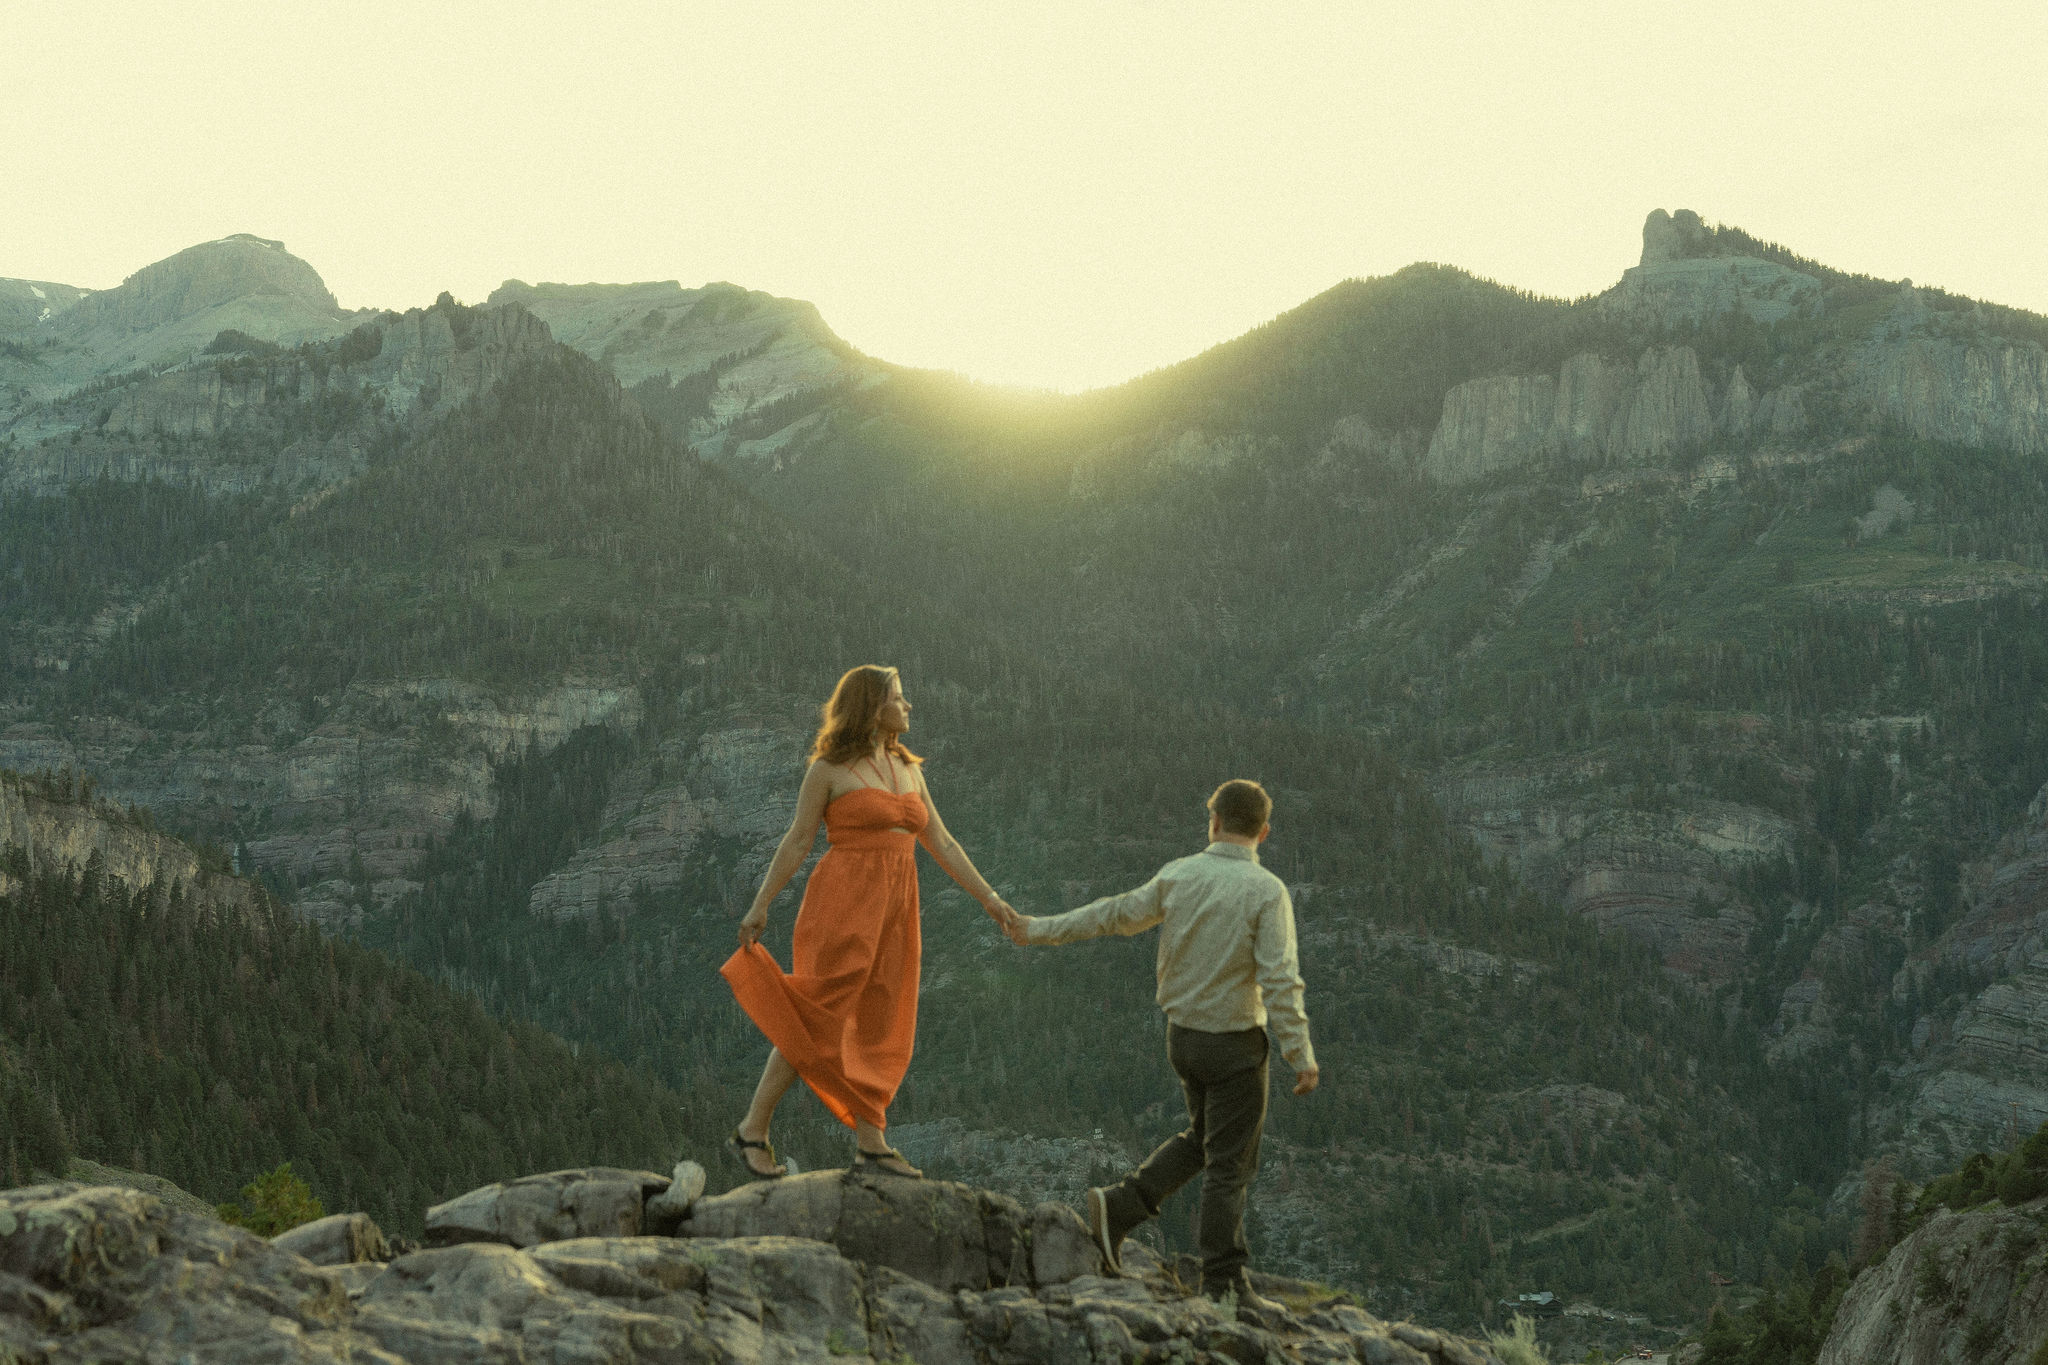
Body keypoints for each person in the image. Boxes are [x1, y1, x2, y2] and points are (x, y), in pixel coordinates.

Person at [1004, 779, 1317, 1313]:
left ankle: (1120, 1207)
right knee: (1230, 1165)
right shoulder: (1266, 891)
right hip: (1235, 1044)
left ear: (1213, 821)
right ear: (1263, 832)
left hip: (1183, 1039)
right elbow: (1280, 978)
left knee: (1203, 1140)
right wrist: (1299, 1052)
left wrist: (1036, 930)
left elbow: (1111, 914)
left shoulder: (1179, 874)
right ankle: (1223, 1286)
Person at [721, 665, 1019, 1179]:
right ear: (871, 706)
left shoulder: (909, 770)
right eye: (899, 699)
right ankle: (753, 1128)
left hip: (897, 908)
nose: (909, 707)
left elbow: (942, 844)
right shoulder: (828, 770)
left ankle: (870, 1143)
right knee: (819, 1014)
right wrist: (761, 903)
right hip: (842, 902)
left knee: (886, 1016)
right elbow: (797, 840)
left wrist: (991, 900)